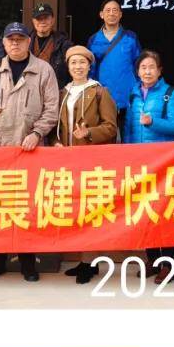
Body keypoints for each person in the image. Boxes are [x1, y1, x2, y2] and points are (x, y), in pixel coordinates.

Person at [0, 21, 60, 282]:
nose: (15, 43)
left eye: (20, 39)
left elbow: (51, 109)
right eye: (11, 39)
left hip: (28, 148)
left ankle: (27, 263)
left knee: (27, 207)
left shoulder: (43, 69)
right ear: (4, 42)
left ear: (28, 42)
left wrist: (37, 133)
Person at [53, 45, 119, 284]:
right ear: (68, 66)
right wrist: (56, 141)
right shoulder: (63, 92)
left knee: (91, 210)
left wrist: (89, 133)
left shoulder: (99, 91)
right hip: (67, 160)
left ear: (90, 66)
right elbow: (55, 125)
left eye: (82, 62)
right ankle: (84, 260)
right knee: (76, 210)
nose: (78, 67)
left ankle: (90, 262)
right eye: (73, 63)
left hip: (92, 161)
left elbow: (111, 127)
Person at [122, 49, 174, 284]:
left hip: (163, 163)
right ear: (137, 71)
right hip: (139, 162)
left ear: (159, 71)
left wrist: (152, 122)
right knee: (144, 211)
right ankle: (153, 259)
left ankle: (169, 264)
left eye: (151, 67)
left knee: (164, 212)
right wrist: (128, 153)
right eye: (143, 67)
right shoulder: (133, 94)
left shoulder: (170, 93)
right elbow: (128, 127)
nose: (147, 71)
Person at [86, 0, 141, 129]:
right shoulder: (93, 39)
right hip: (103, 98)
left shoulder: (130, 37)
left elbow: (139, 65)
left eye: (115, 10)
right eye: (108, 10)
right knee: (106, 137)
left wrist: (139, 91)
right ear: (101, 14)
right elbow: (89, 71)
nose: (111, 13)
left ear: (120, 14)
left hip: (127, 97)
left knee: (129, 137)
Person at [29, 3, 72, 89]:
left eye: (46, 18)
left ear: (52, 20)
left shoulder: (64, 44)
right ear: (33, 21)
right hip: (30, 90)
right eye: (38, 18)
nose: (42, 22)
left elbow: (71, 71)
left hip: (55, 90)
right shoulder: (25, 42)